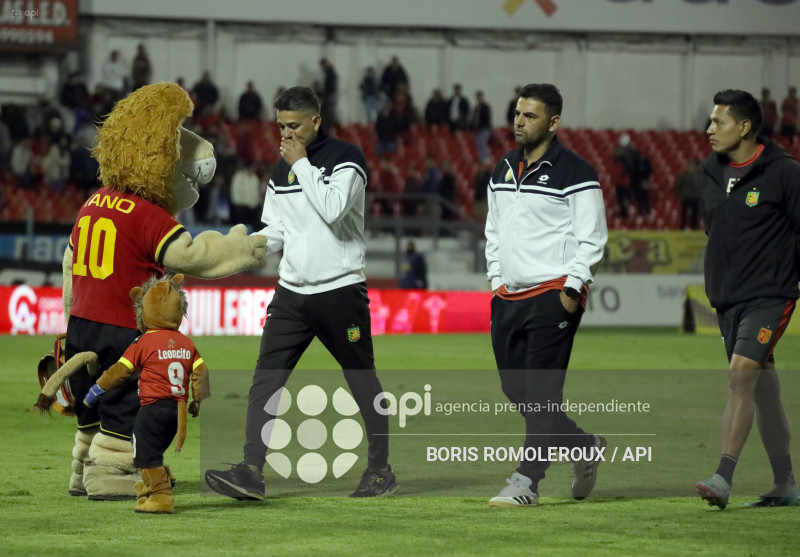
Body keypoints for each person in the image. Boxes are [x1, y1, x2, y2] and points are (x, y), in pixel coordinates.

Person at [204, 86, 398, 499]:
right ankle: (251, 470)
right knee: (266, 380)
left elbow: (332, 208)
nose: (286, 134)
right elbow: (277, 231)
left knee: (361, 380)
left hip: (340, 291)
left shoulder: (348, 158)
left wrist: (303, 164)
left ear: (315, 121)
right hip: (291, 293)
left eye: (294, 126)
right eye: (280, 127)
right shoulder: (281, 169)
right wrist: (238, 251)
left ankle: (381, 469)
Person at [484, 83, 608, 507]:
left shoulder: (577, 171)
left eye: (530, 115)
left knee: (541, 394)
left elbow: (592, 238)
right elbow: (493, 230)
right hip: (508, 296)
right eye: (517, 113)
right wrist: (495, 278)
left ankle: (527, 480)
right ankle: (582, 446)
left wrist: (573, 286)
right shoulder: (502, 167)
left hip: (553, 293)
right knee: (514, 389)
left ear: (553, 122)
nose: (519, 121)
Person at [695, 89, 800, 510]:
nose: (709, 130)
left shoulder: (785, 173)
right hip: (728, 298)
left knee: (741, 376)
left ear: (744, 127)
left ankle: (723, 476)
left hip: (771, 294)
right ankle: (785, 482)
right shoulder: (709, 172)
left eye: (717, 122)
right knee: (763, 390)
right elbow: (715, 232)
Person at [673, 157, 702, 229]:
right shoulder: (683, 175)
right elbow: (677, 186)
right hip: (686, 197)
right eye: (689, 165)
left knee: (695, 216)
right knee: (684, 215)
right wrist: (679, 195)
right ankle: (682, 229)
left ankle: (695, 229)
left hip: (696, 198)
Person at [472, 90, 492, 162]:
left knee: (482, 142)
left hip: (484, 129)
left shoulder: (485, 107)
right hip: (478, 129)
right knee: (478, 143)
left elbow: (486, 118)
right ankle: (482, 158)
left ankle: (485, 158)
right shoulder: (477, 107)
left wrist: (484, 127)